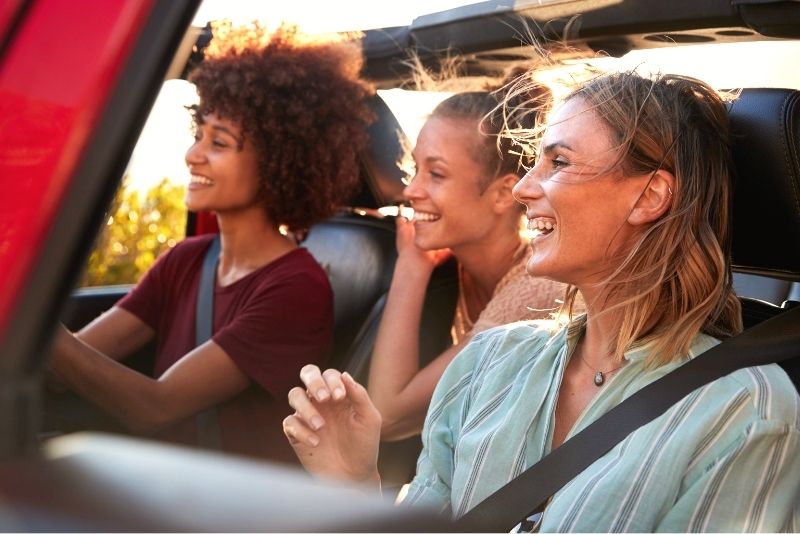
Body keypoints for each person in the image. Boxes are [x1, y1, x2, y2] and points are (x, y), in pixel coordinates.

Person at [283, 70, 800, 530]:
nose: (525, 188)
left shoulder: (747, 409)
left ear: (648, 197)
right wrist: (355, 483)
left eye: (559, 162)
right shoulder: (486, 363)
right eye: (535, 162)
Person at [48, 22, 375, 463]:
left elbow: (155, 407)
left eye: (218, 142)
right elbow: (74, 363)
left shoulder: (296, 287)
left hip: (226, 508)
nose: (192, 155)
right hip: (158, 484)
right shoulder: (188, 259)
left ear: (279, 160)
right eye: (197, 135)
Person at [366, 80, 568, 441]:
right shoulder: (454, 267)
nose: (411, 190)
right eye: (415, 170)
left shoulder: (538, 288)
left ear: (504, 193)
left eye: (437, 174)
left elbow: (387, 415)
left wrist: (411, 267)